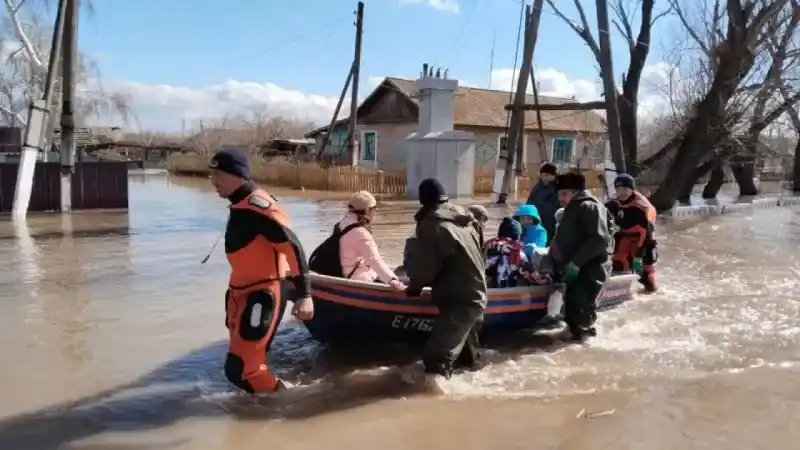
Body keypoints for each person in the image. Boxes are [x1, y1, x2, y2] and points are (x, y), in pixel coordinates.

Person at [209, 148, 314, 394]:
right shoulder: (240, 204)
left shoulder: (260, 207)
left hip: (264, 294)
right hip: (240, 294)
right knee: (238, 368)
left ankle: (289, 403)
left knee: (244, 371)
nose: (213, 182)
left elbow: (293, 248)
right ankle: (264, 408)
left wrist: (305, 295)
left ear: (237, 175)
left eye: (218, 176)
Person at [405, 178, 488, 380]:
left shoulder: (433, 225)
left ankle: (434, 400)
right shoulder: (466, 219)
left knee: (436, 356)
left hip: (461, 300)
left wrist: (414, 287)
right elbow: (481, 255)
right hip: (476, 294)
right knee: (468, 359)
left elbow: (426, 266)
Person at [548, 172, 613, 342]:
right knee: (571, 309)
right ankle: (575, 342)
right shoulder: (573, 208)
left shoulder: (589, 207)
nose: (560, 198)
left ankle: (587, 344)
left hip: (590, 268)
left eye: (564, 193)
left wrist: (576, 263)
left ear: (576, 192)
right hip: (575, 268)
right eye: (559, 194)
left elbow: (600, 238)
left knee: (581, 308)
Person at [337, 190, 406, 290]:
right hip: (360, 279)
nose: (375, 212)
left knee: (399, 270)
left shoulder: (341, 224)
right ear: (368, 210)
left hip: (345, 273)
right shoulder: (361, 233)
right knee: (405, 277)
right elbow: (374, 259)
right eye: (374, 208)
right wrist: (392, 280)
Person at [606, 173, 658, 293]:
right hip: (623, 238)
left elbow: (648, 234)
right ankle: (616, 292)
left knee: (646, 276)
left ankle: (652, 293)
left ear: (632, 189)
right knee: (618, 264)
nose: (622, 192)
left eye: (625, 189)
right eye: (618, 189)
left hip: (644, 241)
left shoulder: (644, 207)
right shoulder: (613, 203)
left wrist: (639, 256)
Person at [484, 217, 528, 288]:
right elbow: (524, 263)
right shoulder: (516, 247)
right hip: (506, 286)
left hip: (487, 284)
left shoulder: (490, 243)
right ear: (517, 235)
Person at [526, 162, 560, 245]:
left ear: (555, 176)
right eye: (542, 175)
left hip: (551, 226)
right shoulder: (536, 188)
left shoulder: (559, 190)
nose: (544, 178)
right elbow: (528, 205)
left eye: (547, 175)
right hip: (536, 225)